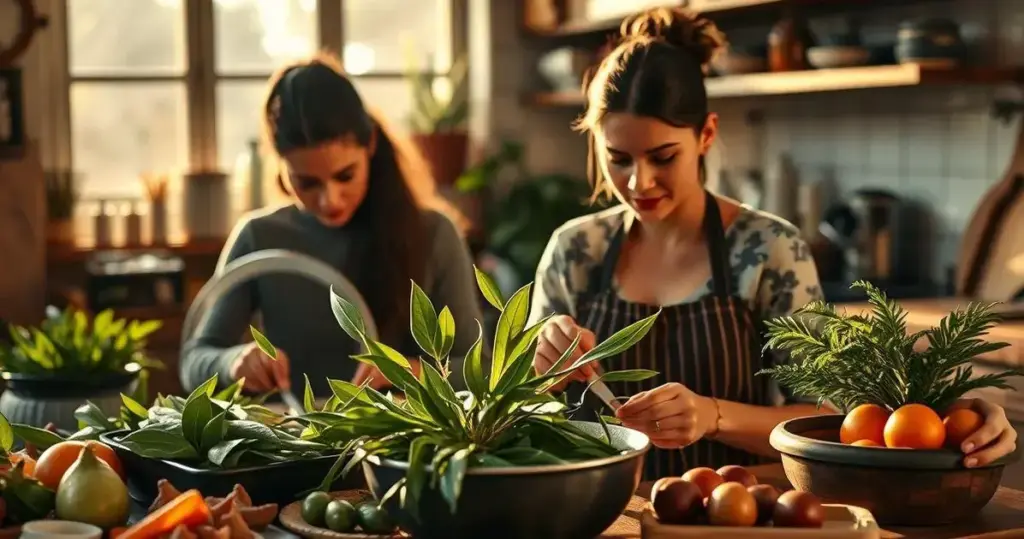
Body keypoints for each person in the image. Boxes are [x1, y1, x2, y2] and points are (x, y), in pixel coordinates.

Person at [528, 7, 1017, 479]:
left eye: (662, 157)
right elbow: (527, 412)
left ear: (706, 135)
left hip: (733, 510)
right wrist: (541, 369)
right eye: (619, 158)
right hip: (606, 512)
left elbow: (829, 421)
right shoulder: (575, 251)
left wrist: (711, 415)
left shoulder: (769, 249)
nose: (639, 182)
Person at [181, 53, 483, 397]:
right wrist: (232, 362)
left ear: (370, 145)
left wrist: (406, 371)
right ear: (280, 166)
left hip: (403, 445)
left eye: (346, 175)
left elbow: (479, 368)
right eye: (307, 183)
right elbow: (194, 361)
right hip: (296, 442)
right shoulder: (258, 237)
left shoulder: (434, 235)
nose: (330, 200)